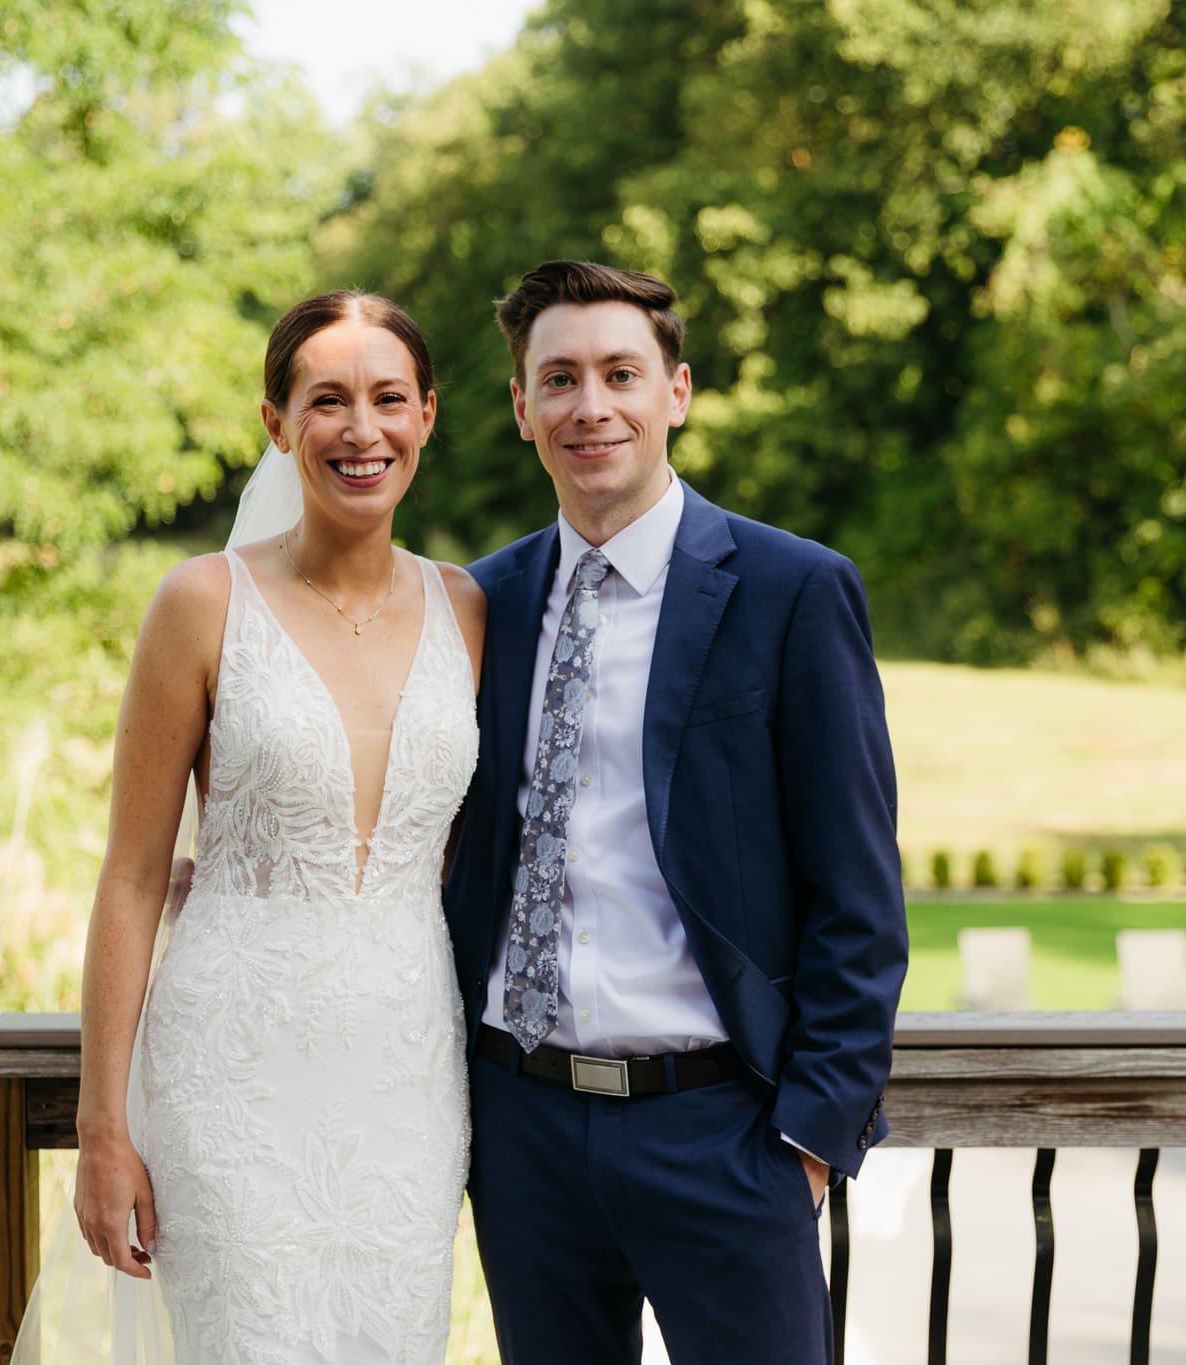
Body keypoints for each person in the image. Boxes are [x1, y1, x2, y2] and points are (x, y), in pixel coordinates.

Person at [443, 260, 908, 1365]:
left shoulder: (791, 591)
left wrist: (805, 1139)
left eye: (618, 373)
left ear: (676, 391)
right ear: (520, 410)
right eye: (556, 379)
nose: (588, 406)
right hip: (525, 1129)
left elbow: (858, 893)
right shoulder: (481, 603)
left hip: (723, 1132)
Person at [15, 291, 487, 1364]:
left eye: (387, 399)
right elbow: (133, 878)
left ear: (425, 417)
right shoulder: (200, 603)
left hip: (404, 1081)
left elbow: (466, 853)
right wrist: (103, 1129)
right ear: (275, 423)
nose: (360, 430)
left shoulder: (468, 612)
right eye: (327, 401)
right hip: (229, 1079)